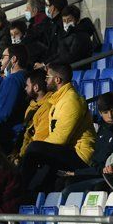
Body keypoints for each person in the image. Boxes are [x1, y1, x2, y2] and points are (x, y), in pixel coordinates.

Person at [21, 64, 95, 193]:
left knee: (34, 149)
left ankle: (18, 187)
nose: (45, 80)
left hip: (80, 155)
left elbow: (60, 138)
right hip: (67, 151)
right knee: (37, 155)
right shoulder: (59, 99)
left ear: (57, 80)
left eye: (48, 77)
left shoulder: (70, 100)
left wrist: (39, 148)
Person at [0, 44, 30, 150]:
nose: (0, 60)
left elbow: (2, 114)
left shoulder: (12, 80)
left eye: (3, 57)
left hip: (7, 135)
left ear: (13, 59)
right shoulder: (24, 77)